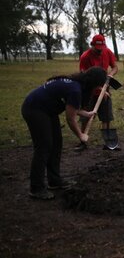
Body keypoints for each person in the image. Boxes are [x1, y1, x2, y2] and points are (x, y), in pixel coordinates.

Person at [22, 67, 107, 200]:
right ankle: (36, 188)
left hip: (48, 111)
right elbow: (70, 119)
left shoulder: (76, 84)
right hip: (34, 109)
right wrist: (81, 135)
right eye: (97, 85)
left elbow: (71, 107)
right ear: (93, 83)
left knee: (56, 144)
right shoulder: (75, 89)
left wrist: (86, 113)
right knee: (43, 147)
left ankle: (54, 181)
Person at [77, 34, 118, 151]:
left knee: (106, 117)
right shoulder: (85, 57)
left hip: (105, 89)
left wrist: (110, 75)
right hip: (89, 91)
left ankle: (108, 142)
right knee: (86, 118)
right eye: (97, 49)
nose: (100, 51)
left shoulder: (108, 52)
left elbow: (115, 67)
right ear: (92, 45)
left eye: (102, 48)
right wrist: (98, 89)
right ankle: (82, 142)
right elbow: (84, 77)